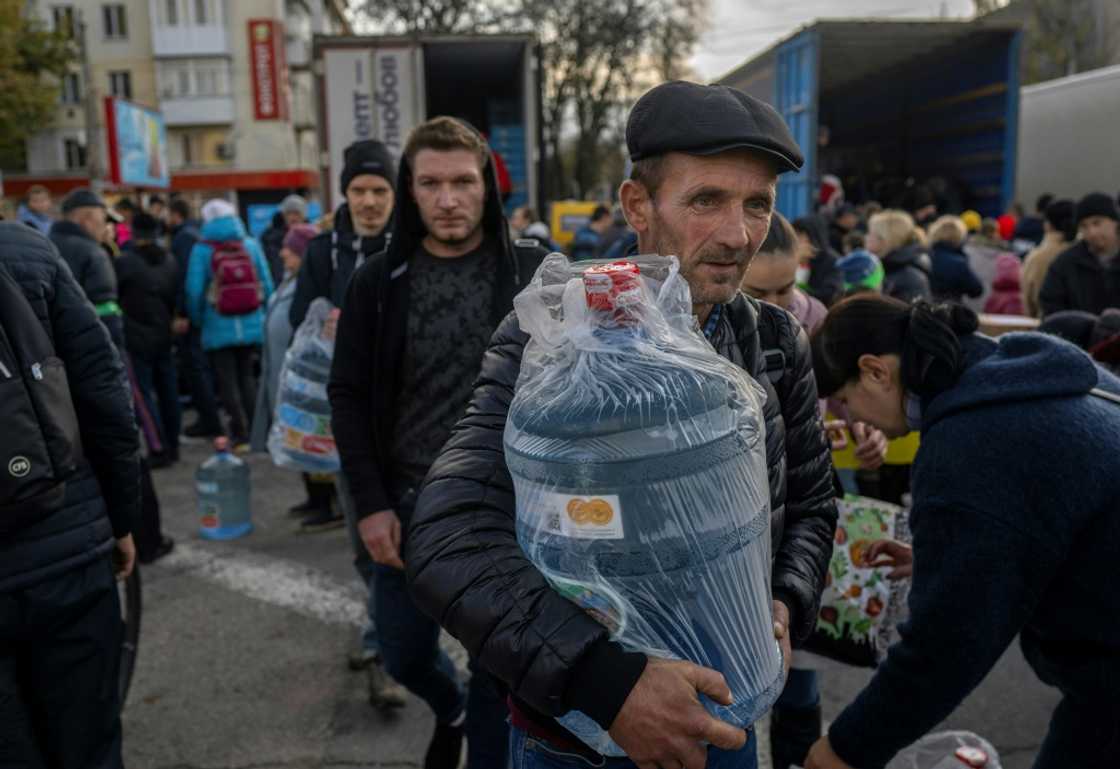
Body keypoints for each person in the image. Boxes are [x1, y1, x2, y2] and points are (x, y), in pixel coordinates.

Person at [405, 80, 838, 769]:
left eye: (757, 204)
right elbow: (448, 534)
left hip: (721, 723)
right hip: (575, 737)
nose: (738, 234)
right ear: (638, 204)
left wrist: (787, 596)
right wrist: (607, 683)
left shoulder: (776, 341)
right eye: (706, 200)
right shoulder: (557, 339)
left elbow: (814, 502)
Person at [804, 296, 1120, 769]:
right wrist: (951, 551)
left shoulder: (971, 441)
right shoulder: (1024, 379)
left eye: (845, 401)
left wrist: (844, 748)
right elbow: (1050, 514)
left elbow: (947, 642)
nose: (854, 420)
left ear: (875, 371)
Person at [329, 116, 549, 769]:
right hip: (408, 505)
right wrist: (369, 503)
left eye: (462, 181)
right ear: (410, 189)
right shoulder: (377, 282)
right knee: (402, 651)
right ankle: (446, 708)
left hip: (508, 511)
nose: (448, 198)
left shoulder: (533, 271)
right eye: (431, 183)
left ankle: (478, 740)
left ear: (486, 184)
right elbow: (346, 397)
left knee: (498, 675)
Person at [744, 213, 887, 769]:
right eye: (762, 291)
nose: (782, 304)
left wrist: (863, 436)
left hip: (804, 512)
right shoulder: (709, 323)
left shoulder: (818, 320)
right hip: (745, 519)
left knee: (800, 673)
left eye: (789, 288)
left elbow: (846, 408)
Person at [0, 221, 141, 769]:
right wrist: (122, 520)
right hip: (67, 547)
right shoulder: (28, 251)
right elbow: (104, 392)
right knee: (89, 747)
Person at [289, 139, 403, 708]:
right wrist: (321, 320)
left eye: (379, 190)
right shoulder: (323, 251)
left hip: (409, 420)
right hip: (348, 418)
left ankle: (402, 638)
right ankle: (383, 638)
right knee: (368, 537)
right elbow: (297, 316)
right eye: (359, 190)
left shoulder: (411, 241)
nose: (369, 201)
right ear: (346, 194)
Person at [185, 199, 274, 451]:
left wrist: (198, 319)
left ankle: (241, 433)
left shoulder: (202, 248)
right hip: (252, 321)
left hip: (217, 323)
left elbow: (193, 291)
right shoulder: (250, 244)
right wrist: (264, 314)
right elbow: (266, 282)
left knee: (227, 381)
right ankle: (260, 431)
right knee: (248, 376)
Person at [115, 213, 182, 468]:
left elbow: (115, 294)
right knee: (169, 391)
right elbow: (176, 295)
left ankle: (159, 448)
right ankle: (173, 444)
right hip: (164, 332)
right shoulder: (169, 260)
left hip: (136, 335)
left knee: (143, 395)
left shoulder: (125, 262)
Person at [250, 223, 318, 455]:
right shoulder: (289, 280)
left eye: (290, 248)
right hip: (278, 375)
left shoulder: (309, 288)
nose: (282, 252)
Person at [168, 198, 222, 438]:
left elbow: (187, 281)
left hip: (195, 315)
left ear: (175, 214)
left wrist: (182, 312)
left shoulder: (184, 238)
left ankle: (210, 422)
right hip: (217, 312)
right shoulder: (201, 233)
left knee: (197, 368)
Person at [50, 189, 125, 348]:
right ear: (86, 218)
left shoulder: (45, 244)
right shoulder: (93, 252)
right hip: (90, 348)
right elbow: (106, 311)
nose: (106, 226)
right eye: (104, 218)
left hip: (52, 349)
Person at [1038, 192, 1120, 316]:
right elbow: (1051, 307)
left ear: (1115, 222)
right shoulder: (1064, 265)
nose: (1092, 232)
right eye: (1084, 226)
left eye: (1097, 223)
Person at [1021, 199, 1075, 318]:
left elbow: (1028, 302)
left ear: (1047, 225)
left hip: (1046, 327)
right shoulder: (1090, 254)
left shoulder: (1036, 258)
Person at [865, 210, 932, 303]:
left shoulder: (911, 278)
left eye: (871, 233)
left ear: (886, 239)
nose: (866, 237)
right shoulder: (879, 267)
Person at [927, 215, 983, 304]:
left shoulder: (925, 256)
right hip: (951, 311)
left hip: (924, 310)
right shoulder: (958, 263)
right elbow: (976, 290)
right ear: (959, 235)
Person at [793, 214, 845, 306]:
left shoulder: (832, 261)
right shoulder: (790, 257)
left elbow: (828, 295)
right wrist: (795, 261)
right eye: (795, 235)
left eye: (801, 236)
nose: (798, 241)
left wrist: (796, 292)